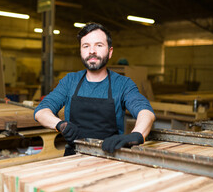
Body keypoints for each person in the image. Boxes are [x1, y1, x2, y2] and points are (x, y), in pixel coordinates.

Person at [34, 22, 155, 156]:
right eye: (86, 46)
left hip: (110, 156)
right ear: (81, 51)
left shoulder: (123, 84)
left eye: (99, 45)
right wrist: (61, 125)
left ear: (110, 52)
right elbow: (41, 111)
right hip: (73, 157)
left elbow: (145, 112)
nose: (92, 51)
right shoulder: (70, 81)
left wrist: (137, 134)